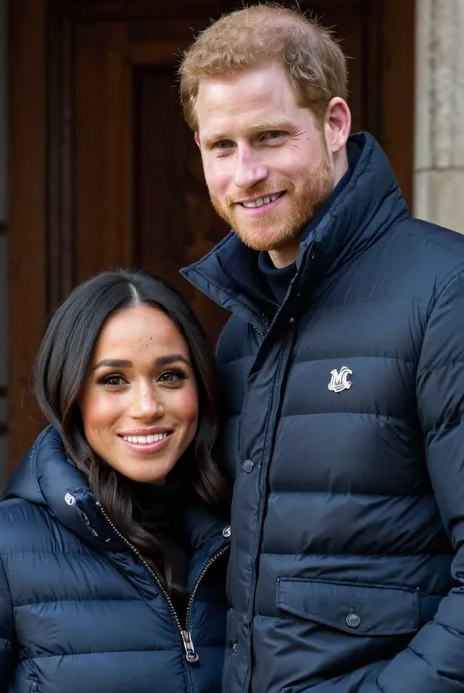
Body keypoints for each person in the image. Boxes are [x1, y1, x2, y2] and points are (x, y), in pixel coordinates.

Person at [178, 4, 464, 693]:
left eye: (270, 136)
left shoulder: (445, 291)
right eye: (221, 146)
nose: (245, 173)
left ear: (335, 124)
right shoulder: (245, 326)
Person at [0, 270, 231, 693]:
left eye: (170, 375)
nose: (146, 407)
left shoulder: (241, 536)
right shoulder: (0, 546)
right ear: (71, 394)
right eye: (113, 380)